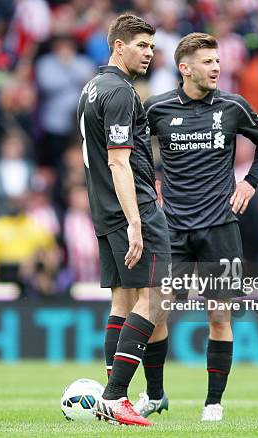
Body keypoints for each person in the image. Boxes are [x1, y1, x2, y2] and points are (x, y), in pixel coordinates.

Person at [143, 33, 258, 421]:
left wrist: (249, 182)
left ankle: (213, 402)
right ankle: (155, 394)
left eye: (217, 61)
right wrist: (148, 181)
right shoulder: (157, 108)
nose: (216, 68)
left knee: (218, 315)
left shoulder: (234, 106)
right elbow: (133, 149)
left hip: (220, 227)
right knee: (155, 311)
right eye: (207, 62)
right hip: (172, 229)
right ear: (185, 68)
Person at [77, 13, 171, 427]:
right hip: (132, 210)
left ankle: (112, 396)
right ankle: (116, 396)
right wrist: (136, 220)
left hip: (104, 209)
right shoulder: (120, 93)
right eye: (142, 46)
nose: (149, 53)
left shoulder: (93, 87)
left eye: (152, 47)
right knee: (156, 298)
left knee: (123, 301)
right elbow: (118, 162)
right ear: (119, 46)